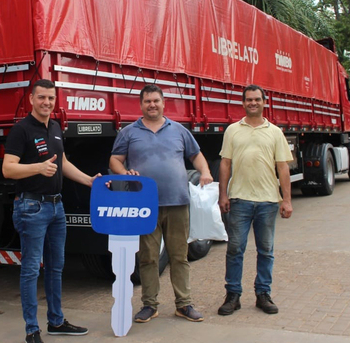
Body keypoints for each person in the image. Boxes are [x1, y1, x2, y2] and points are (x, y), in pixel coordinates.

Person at [2, 79, 101, 343]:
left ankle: (56, 321)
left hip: (57, 207)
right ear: (31, 99)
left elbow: (63, 164)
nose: (47, 102)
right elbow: (8, 169)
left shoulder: (56, 127)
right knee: (32, 269)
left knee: (56, 267)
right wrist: (37, 168)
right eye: (42, 97)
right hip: (31, 208)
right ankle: (31, 330)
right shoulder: (20, 130)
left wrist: (89, 181)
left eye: (51, 98)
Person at [109, 84, 213, 324]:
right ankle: (149, 305)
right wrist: (125, 172)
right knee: (148, 257)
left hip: (177, 202)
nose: (152, 105)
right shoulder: (128, 132)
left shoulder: (178, 130)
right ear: (141, 104)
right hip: (145, 206)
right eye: (147, 101)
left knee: (179, 255)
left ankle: (184, 304)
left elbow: (196, 155)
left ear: (163, 103)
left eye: (156, 101)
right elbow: (115, 160)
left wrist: (205, 171)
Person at [217, 84, 293, 316]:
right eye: (249, 99)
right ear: (243, 103)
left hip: (268, 201)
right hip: (239, 199)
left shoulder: (275, 132)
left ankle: (263, 294)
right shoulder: (232, 130)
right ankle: (233, 295)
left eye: (257, 99)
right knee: (235, 249)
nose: (253, 103)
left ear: (264, 102)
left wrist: (287, 200)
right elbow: (225, 164)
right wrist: (223, 194)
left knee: (266, 250)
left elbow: (283, 167)